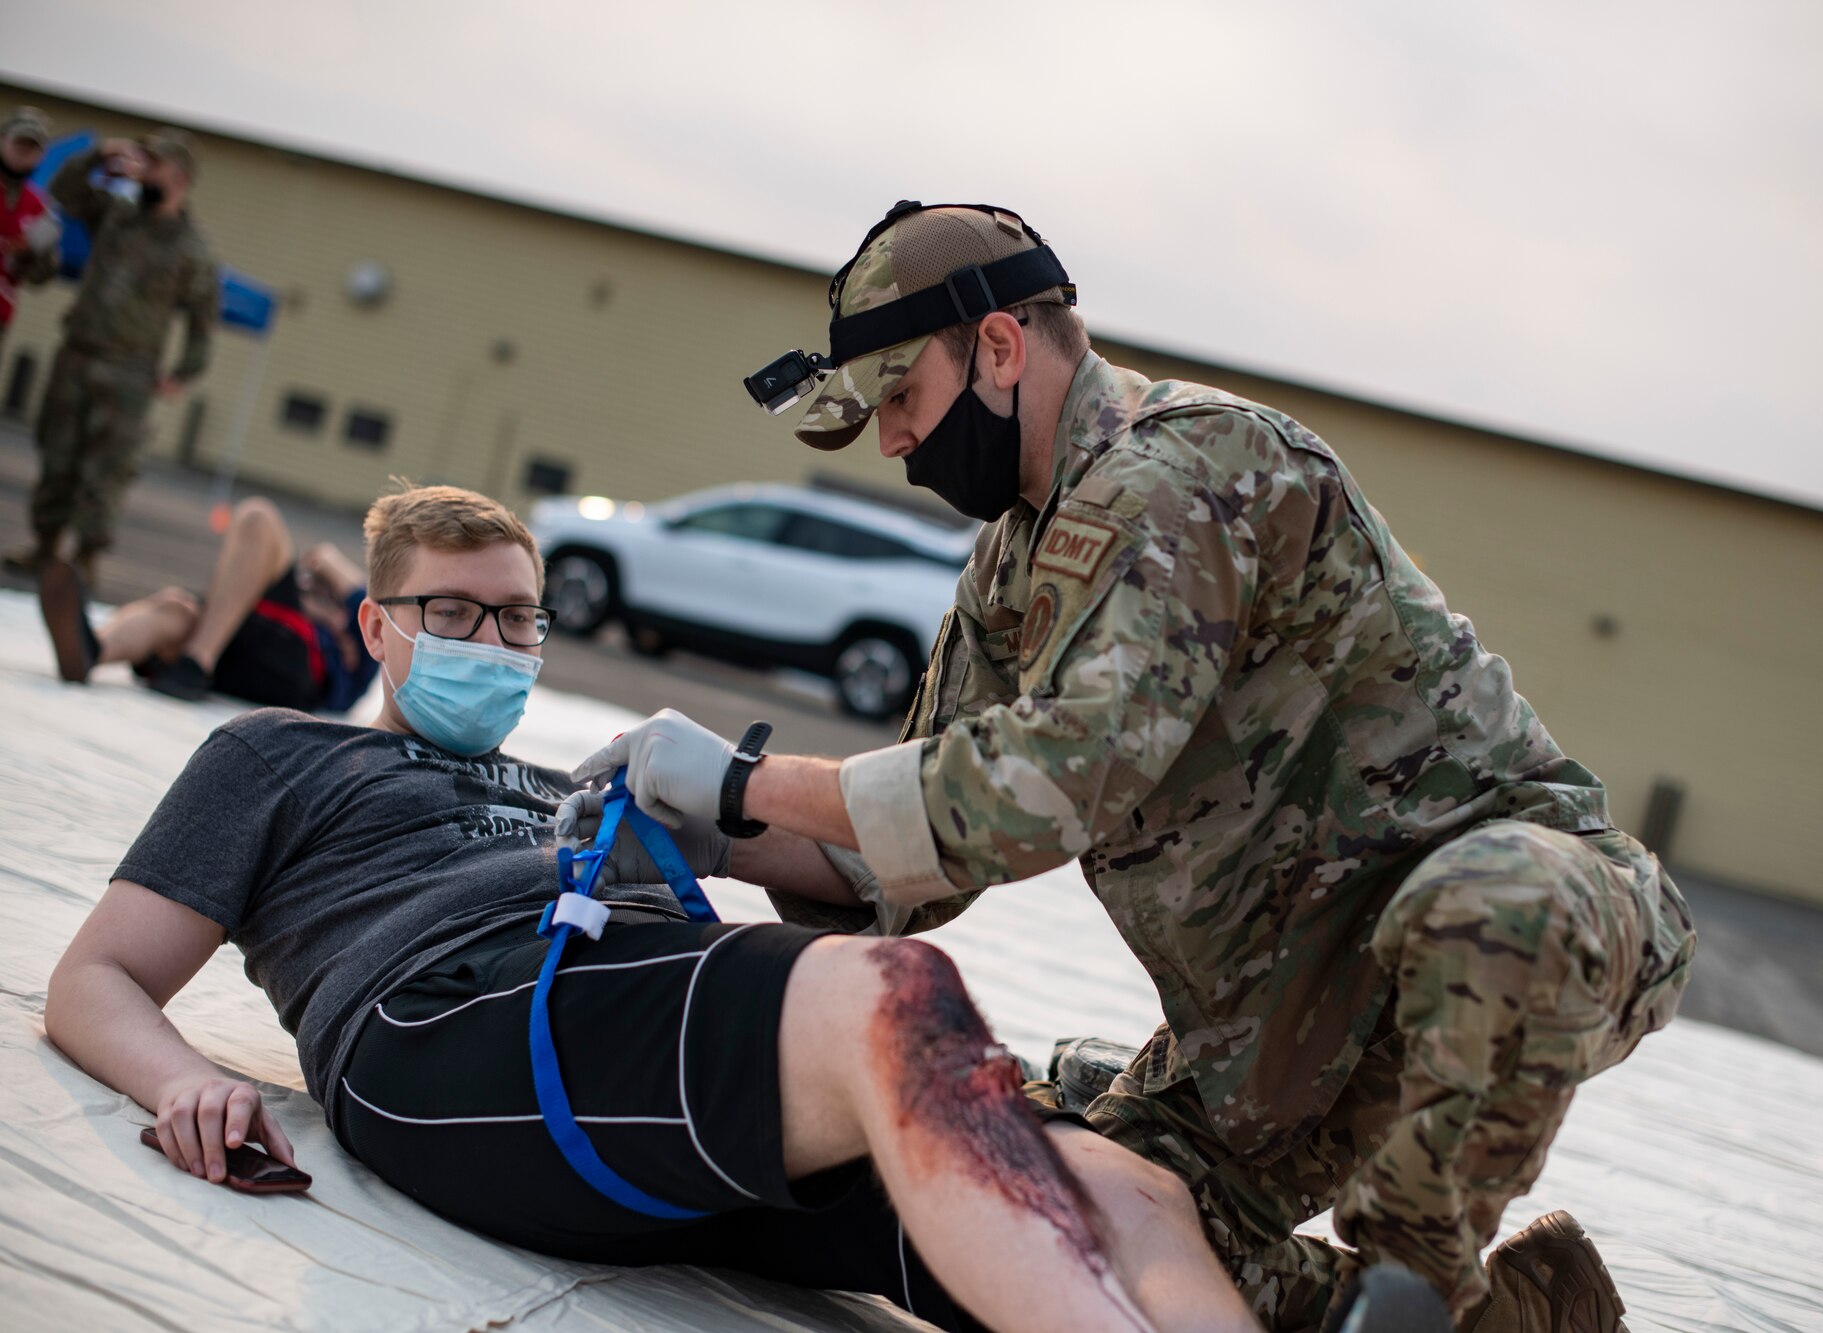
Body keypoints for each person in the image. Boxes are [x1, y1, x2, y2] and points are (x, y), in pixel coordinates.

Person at [591, 203, 1699, 1332]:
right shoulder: (1011, 567)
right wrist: (712, 829)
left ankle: (1409, 1285)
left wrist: (740, 778)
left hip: (1531, 926)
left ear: (999, 346)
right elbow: (906, 857)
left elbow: (1044, 787)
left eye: (900, 399)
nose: (891, 442)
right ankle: (1513, 1319)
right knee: (1062, 1227)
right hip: (1273, 1031)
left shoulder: (1185, 469)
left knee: (1489, 904)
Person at [42, 483, 1267, 1333]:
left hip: (637, 1061)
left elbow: (864, 888)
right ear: (376, 623)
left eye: (518, 616)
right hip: (445, 1025)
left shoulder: (565, 783)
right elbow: (94, 979)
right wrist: (177, 1080)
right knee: (894, 998)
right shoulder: (283, 753)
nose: (494, 639)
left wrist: (723, 814)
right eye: (453, 613)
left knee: (1117, 1188)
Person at [4, 128, 217, 585]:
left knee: (107, 472)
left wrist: (183, 372)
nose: (143, 169)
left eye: (153, 163)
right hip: (77, 353)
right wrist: (97, 155)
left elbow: (203, 320)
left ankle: (83, 561)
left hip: (130, 371)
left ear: (178, 176)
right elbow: (60, 193)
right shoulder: (116, 214)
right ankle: (43, 546)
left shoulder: (192, 249)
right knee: (57, 452)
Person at [36, 494, 377, 710]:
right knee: (176, 608)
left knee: (258, 516)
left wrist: (327, 561)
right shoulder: (279, 605)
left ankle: (196, 663)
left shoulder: (356, 630)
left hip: (291, 671)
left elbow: (363, 593)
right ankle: (93, 649)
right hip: (234, 658)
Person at [0, 106, 61, 361]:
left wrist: (31, 254)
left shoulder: (39, 206)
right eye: (19, 143)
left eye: (32, 147)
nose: (24, 152)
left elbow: (41, 276)